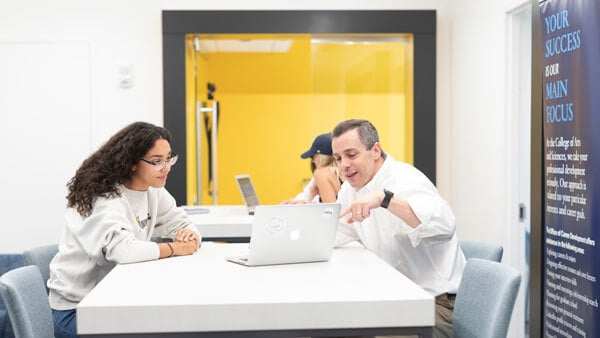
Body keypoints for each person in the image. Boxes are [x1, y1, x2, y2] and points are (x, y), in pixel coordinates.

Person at [48, 121, 202, 338]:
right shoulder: (104, 196)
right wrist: (175, 248)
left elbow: (181, 222)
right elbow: (122, 251)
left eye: (169, 159)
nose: (166, 168)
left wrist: (190, 235)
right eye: (157, 161)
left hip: (114, 301)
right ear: (132, 163)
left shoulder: (152, 190)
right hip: (78, 311)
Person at [331, 119, 465, 338]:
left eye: (351, 155)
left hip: (435, 305)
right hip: (395, 300)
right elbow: (333, 234)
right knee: (339, 324)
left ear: (375, 150)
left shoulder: (405, 179)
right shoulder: (349, 191)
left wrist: (386, 200)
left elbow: (445, 225)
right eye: (338, 158)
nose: (344, 164)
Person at [283, 132, 344, 204]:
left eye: (314, 156)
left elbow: (330, 211)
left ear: (322, 156)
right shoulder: (344, 171)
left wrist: (313, 199)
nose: (313, 161)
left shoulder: (320, 173)